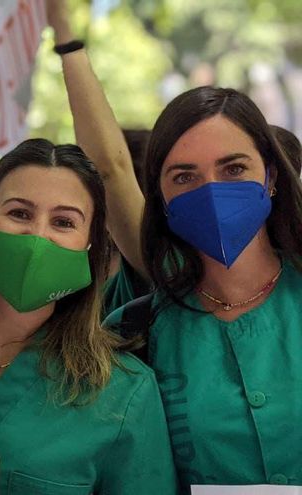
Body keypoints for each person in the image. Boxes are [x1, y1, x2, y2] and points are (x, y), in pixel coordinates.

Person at [0, 138, 177, 494]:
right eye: (19, 214)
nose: (38, 237)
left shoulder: (122, 395)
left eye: (63, 222)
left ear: (90, 247)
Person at [103, 86, 302, 489]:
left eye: (233, 169)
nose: (211, 191)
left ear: (272, 176)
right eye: (185, 176)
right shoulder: (131, 333)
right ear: (160, 196)